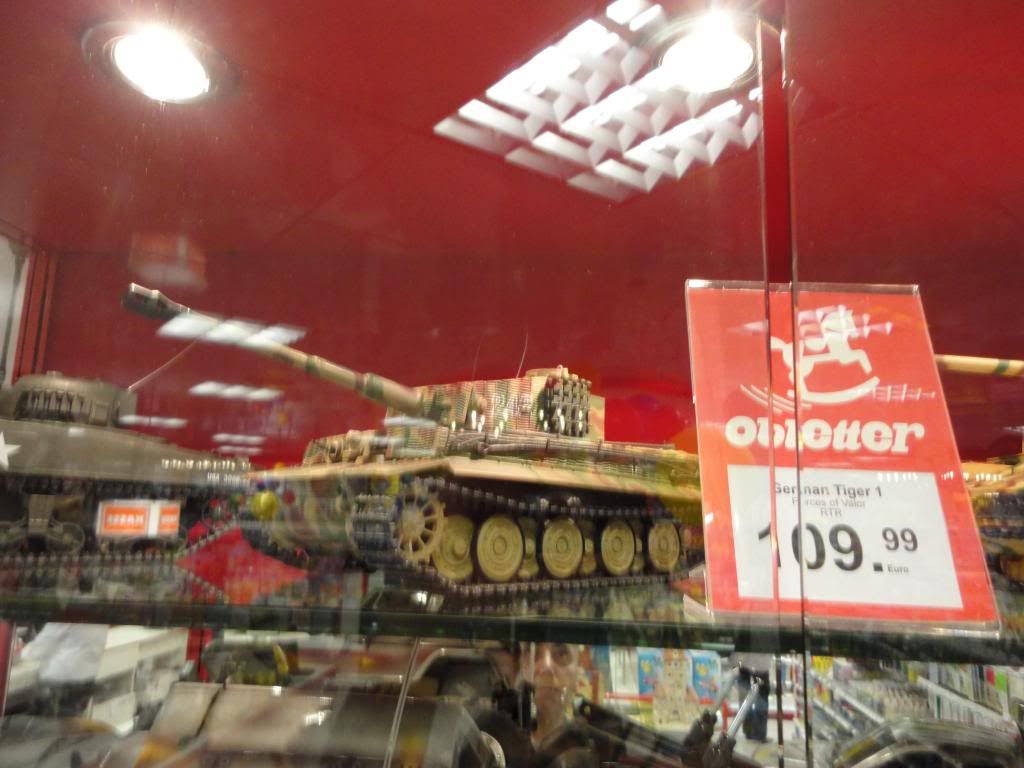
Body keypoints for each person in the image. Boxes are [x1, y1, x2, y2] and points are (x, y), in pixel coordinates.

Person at [19, 623, 108, 717]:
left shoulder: (66, 616)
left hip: (60, 681)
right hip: (87, 678)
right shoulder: (98, 616)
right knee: (72, 722)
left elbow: (42, 647)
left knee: (49, 723)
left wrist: (22, 651)